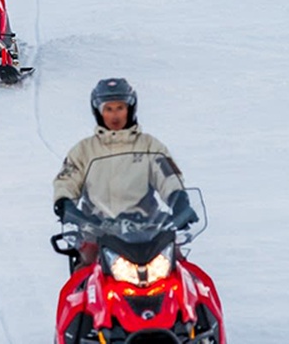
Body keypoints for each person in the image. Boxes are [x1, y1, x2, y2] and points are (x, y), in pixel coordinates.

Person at [52, 78, 197, 269]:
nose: (115, 115)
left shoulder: (149, 146)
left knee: (181, 269)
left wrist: (179, 201)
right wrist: (65, 204)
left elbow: (168, 176)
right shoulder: (84, 150)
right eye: (108, 109)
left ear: (130, 109)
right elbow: (67, 180)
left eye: (120, 107)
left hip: (147, 230)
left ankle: (200, 298)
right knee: (83, 276)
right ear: (98, 111)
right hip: (97, 230)